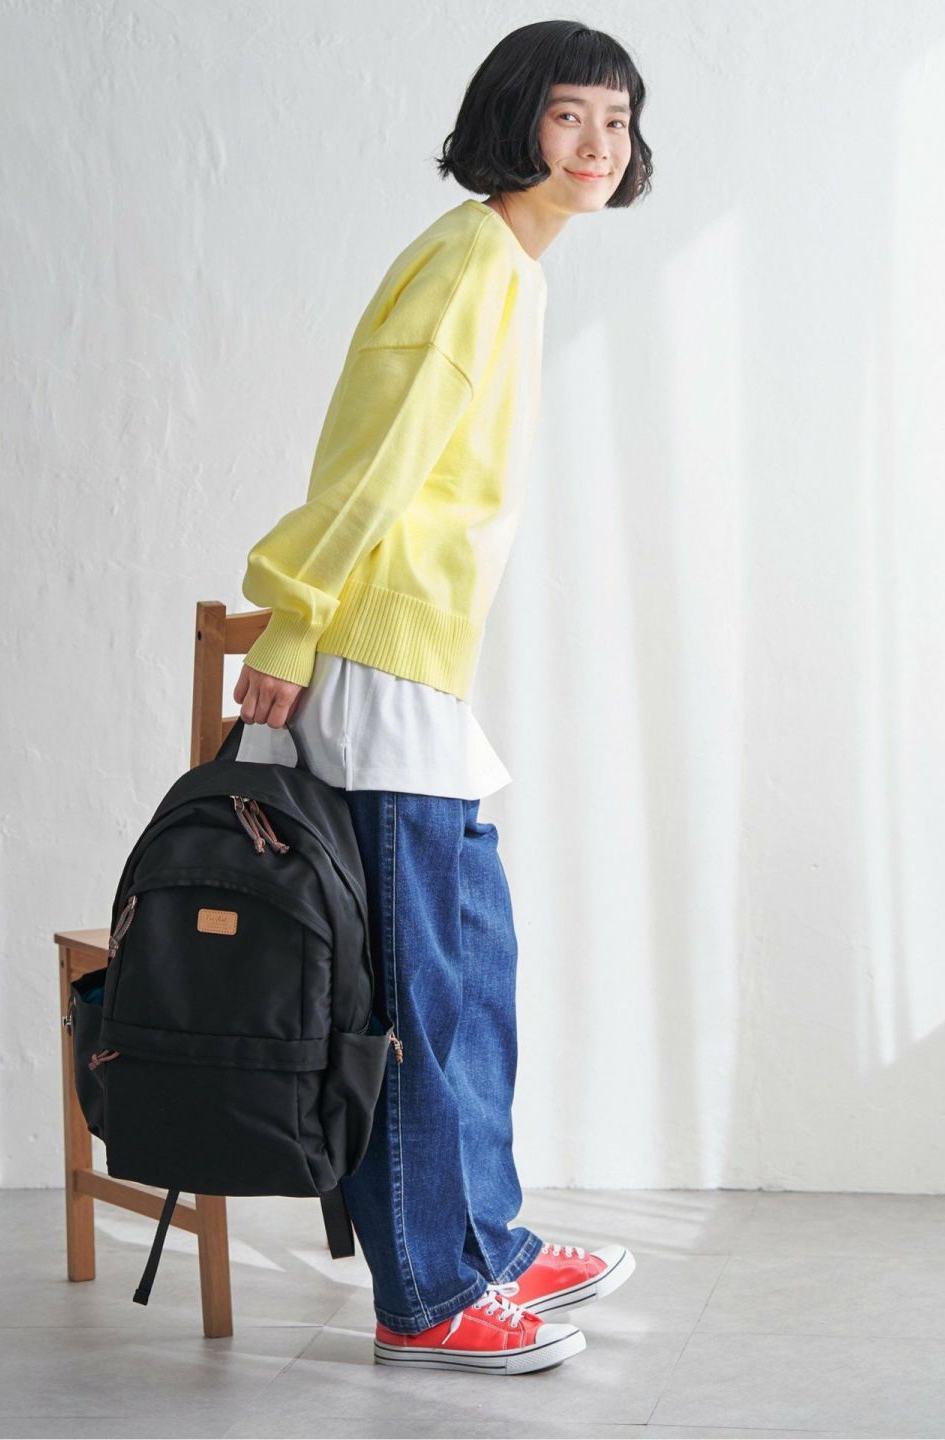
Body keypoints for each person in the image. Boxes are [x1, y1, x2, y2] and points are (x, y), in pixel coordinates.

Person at [233, 19, 653, 1376]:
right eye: (571, 116)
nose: (599, 146)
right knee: (413, 1004)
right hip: (376, 669)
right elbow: (376, 457)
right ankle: (423, 1298)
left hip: (425, 671)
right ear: (514, 120)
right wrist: (295, 613)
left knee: (473, 976)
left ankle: (487, 1244)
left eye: (618, 121)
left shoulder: (511, 268)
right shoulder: (471, 262)